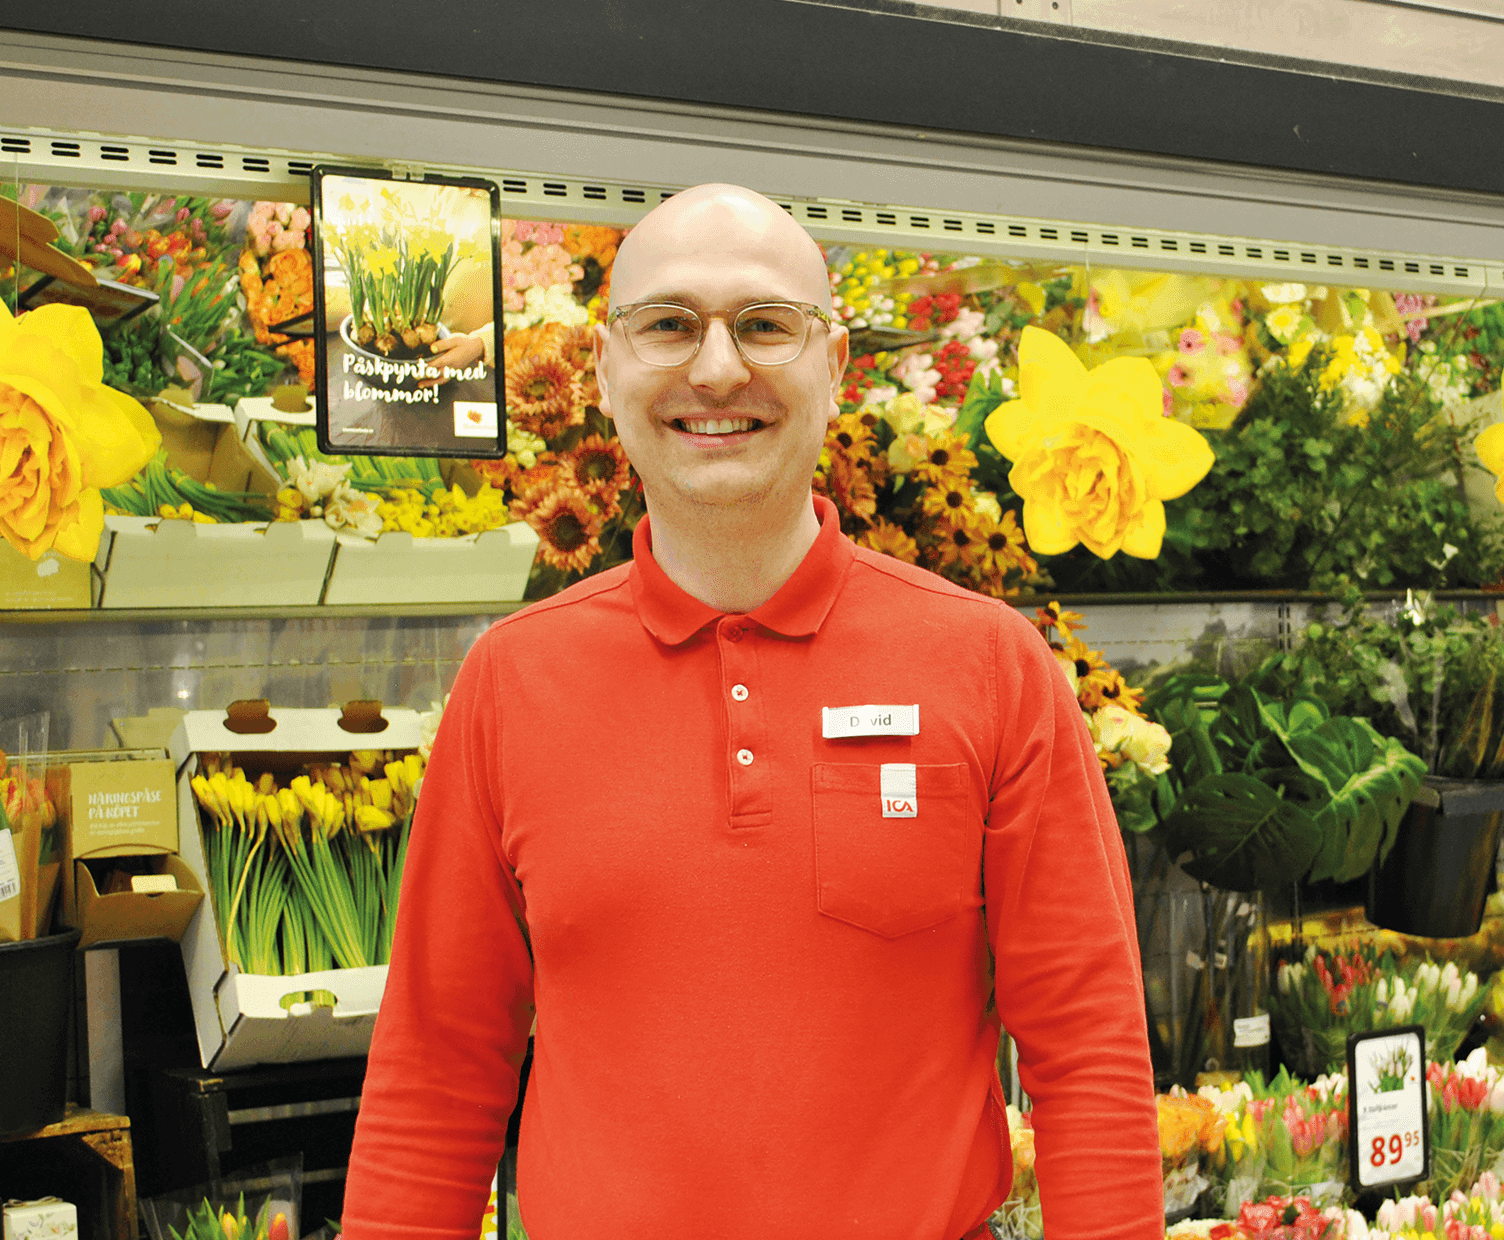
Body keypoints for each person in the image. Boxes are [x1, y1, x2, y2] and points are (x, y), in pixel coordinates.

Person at [342, 184, 1162, 1240]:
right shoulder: (511, 684)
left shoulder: (992, 668)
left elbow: (1088, 1047)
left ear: (834, 368)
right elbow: (437, 1070)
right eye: (668, 325)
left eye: (766, 324)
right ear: (604, 370)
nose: (716, 368)